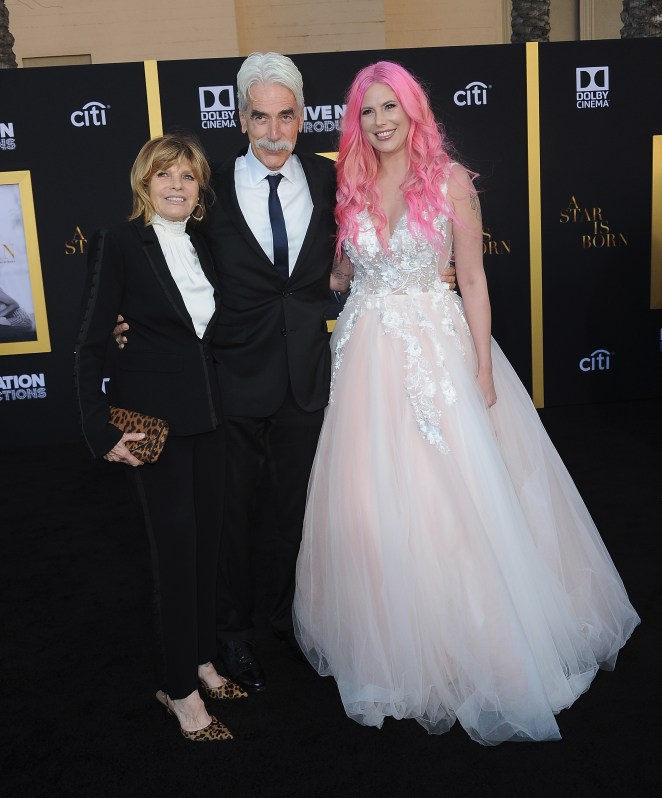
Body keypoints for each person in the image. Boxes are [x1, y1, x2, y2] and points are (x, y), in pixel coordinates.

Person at [292, 62, 640, 745]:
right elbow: (340, 274)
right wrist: (330, 274)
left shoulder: (450, 181)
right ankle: (393, 645)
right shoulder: (350, 183)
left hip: (437, 353)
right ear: (356, 122)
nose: (380, 121)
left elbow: (474, 282)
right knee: (368, 498)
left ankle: (470, 642)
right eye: (368, 111)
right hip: (364, 358)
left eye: (391, 107)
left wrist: (481, 367)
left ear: (413, 111)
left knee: (450, 494)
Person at [113, 52, 457, 692]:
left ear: (302, 118)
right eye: (260, 117)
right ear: (241, 119)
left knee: (300, 511)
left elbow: (364, 248)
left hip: (309, 378)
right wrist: (125, 314)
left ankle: (291, 619)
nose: (273, 132)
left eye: (286, 116)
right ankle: (233, 633)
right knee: (231, 516)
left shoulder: (335, 180)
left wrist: (434, 270)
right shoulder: (209, 186)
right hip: (231, 379)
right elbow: (165, 257)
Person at [75, 134, 246, 743]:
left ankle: (200, 660)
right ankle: (178, 691)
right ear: (144, 183)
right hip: (152, 426)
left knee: (204, 549)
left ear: (200, 190)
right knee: (174, 556)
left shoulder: (202, 242)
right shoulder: (118, 242)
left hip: (208, 418)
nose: (177, 185)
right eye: (164, 174)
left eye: (188, 176)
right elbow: (90, 341)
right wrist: (100, 430)